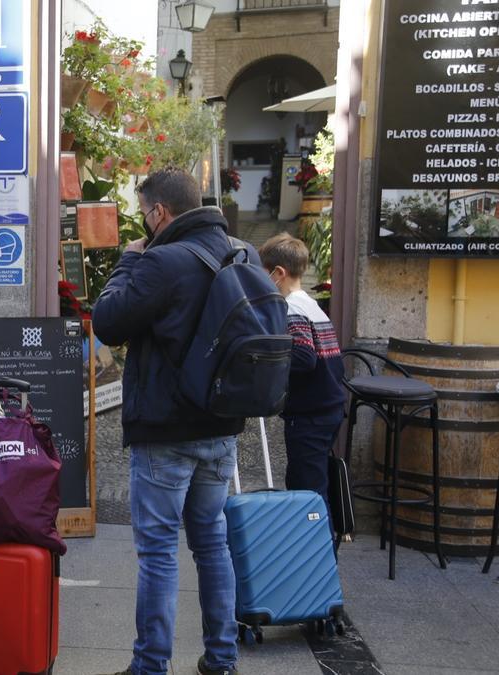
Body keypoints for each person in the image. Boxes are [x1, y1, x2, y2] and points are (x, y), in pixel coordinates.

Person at [92, 168, 249, 675]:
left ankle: (151, 666)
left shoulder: (161, 260)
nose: (144, 222)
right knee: (212, 545)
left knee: (158, 552)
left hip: (165, 432)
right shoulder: (239, 252)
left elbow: (108, 320)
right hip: (222, 427)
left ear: (159, 212)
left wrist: (128, 260)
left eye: (144, 213)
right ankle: (222, 658)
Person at [259, 233, 346, 504]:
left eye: (263, 274)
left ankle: (316, 543)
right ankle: (322, 539)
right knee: (314, 482)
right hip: (328, 409)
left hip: (309, 415)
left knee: (306, 491)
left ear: (278, 273)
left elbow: (304, 357)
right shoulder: (311, 305)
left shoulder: (290, 308)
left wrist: (264, 358)